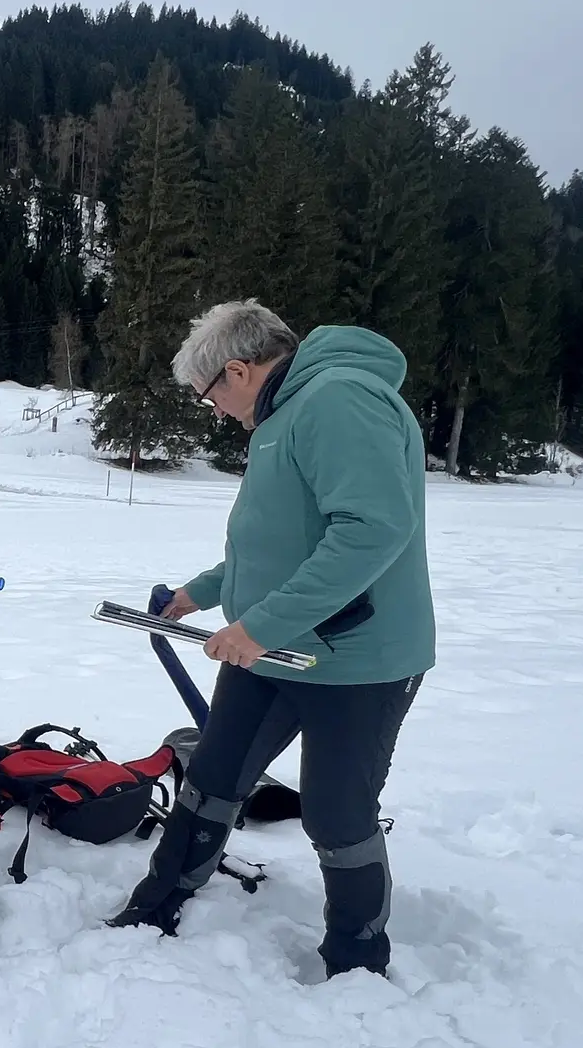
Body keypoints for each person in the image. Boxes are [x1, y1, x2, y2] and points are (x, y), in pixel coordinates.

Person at [110, 300, 435, 978]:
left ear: (238, 370)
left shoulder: (340, 400)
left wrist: (258, 627)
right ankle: (160, 899)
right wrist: (198, 593)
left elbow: (371, 533)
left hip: (358, 661)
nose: (216, 412)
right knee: (214, 776)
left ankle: (356, 959)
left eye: (210, 397)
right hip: (275, 650)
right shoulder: (285, 417)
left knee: (337, 813)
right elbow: (276, 547)